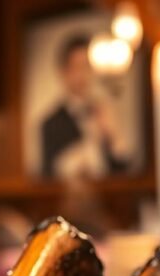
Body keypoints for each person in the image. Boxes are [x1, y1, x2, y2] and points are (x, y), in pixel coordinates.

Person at [40, 35, 130, 180]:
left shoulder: (103, 111)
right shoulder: (50, 124)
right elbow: (48, 177)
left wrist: (113, 135)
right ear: (63, 72)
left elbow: (123, 169)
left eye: (87, 66)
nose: (83, 74)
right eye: (76, 67)